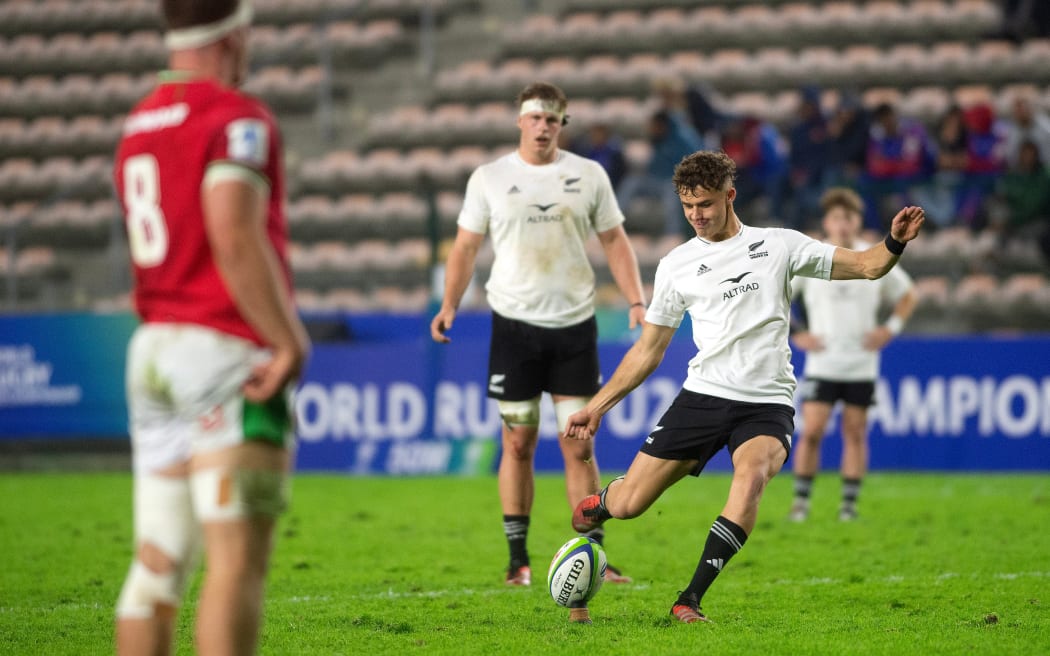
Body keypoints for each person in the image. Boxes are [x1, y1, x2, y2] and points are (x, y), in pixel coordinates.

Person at [565, 151, 925, 624]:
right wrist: (598, 406)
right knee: (632, 504)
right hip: (703, 395)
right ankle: (602, 504)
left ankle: (687, 600)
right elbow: (648, 350)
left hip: (767, 402)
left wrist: (893, 243)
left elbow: (866, 266)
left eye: (707, 205)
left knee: (752, 475)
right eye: (689, 206)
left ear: (730, 196)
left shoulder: (779, 246)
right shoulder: (677, 265)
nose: (697, 215)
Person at [113, 0, 310, 653]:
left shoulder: (139, 121)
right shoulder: (235, 118)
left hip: (151, 350)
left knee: (157, 564)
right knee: (233, 560)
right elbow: (232, 233)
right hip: (223, 354)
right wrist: (287, 339)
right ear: (235, 34)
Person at [429, 81, 646, 623]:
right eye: (535, 117)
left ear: (562, 123)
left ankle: (593, 552)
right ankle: (517, 559)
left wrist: (637, 301)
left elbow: (615, 242)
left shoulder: (589, 176)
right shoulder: (491, 178)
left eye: (553, 118)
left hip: (574, 325)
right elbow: (465, 247)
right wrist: (449, 304)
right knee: (518, 442)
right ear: (520, 121)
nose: (544, 125)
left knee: (579, 444)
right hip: (515, 329)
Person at [788, 188, 916, 522]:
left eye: (849, 218)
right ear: (826, 222)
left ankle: (848, 505)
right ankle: (801, 502)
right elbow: (780, 295)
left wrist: (891, 329)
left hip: (861, 363)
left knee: (855, 431)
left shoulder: (873, 256)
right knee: (812, 429)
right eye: (836, 218)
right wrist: (797, 333)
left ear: (857, 221)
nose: (843, 224)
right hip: (824, 361)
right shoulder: (813, 257)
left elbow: (907, 294)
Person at [617, 108, 704, 236]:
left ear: (662, 125)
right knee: (631, 182)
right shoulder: (656, 139)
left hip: (672, 182)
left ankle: (673, 235)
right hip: (654, 180)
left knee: (672, 195)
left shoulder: (682, 138)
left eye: (654, 126)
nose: (651, 129)